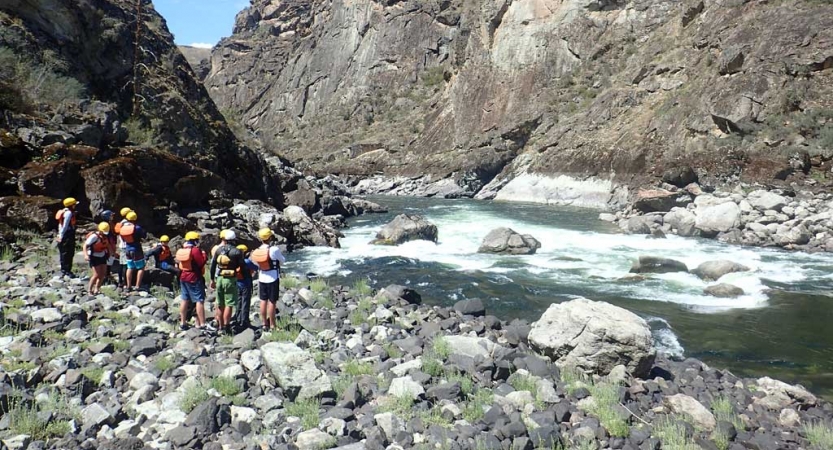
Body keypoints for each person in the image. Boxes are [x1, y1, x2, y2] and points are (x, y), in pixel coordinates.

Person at [209, 230, 245, 334]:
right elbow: (242, 266)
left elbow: (212, 266)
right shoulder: (237, 251)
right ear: (234, 240)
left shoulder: (219, 250)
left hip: (219, 278)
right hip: (230, 279)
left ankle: (220, 326)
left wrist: (212, 279)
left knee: (220, 303)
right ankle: (226, 326)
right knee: (229, 303)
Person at [251, 228, 286, 333]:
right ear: (270, 238)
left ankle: (264, 324)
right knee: (272, 302)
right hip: (273, 278)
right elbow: (282, 261)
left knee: (263, 301)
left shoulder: (257, 250)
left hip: (261, 278)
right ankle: (272, 325)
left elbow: (256, 264)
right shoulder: (274, 249)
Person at [176, 231, 208, 331]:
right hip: (194, 277)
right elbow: (201, 262)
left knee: (184, 299)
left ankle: (182, 322)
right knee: (199, 300)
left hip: (183, 276)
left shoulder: (182, 250)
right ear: (194, 240)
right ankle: (202, 324)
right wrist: (204, 255)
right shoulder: (195, 250)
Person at [120, 210, 147, 291]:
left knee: (130, 267)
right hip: (136, 249)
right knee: (141, 268)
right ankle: (137, 286)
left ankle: (128, 286)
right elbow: (144, 236)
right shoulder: (137, 227)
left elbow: (122, 238)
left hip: (127, 249)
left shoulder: (123, 228)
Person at [234, 244, 258, 331]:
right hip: (246, 284)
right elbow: (256, 268)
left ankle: (238, 319)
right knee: (245, 303)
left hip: (237, 284)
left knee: (239, 302)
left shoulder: (234, 262)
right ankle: (244, 321)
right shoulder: (247, 262)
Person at [84, 222, 111, 295]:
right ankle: (89, 290)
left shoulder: (105, 236)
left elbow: (107, 245)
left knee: (103, 274)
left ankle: (97, 288)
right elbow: (85, 245)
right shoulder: (94, 237)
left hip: (102, 255)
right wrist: (86, 255)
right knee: (96, 274)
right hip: (94, 256)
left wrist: (111, 253)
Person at [55, 197, 78, 277]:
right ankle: (66, 270)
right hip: (67, 235)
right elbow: (65, 225)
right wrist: (61, 235)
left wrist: (59, 234)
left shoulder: (64, 211)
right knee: (68, 252)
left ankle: (64, 269)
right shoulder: (69, 213)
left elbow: (60, 225)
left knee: (64, 253)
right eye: (74, 204)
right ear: (71, 205)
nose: (75, 206)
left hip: (64, 234)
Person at [100, 210, 122, 286]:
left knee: (110, 260)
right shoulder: (106, 226)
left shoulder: (109, 223)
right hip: (108, 246)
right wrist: (112, 250)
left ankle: (107, 275)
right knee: (108, 260)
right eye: (111, 215)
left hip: (111, 244)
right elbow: (108, 239)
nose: (112, 216)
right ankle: (105, 276)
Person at [114, 207, 132, 289]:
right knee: (126, 265)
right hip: (126, 246)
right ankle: (124, 282)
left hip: (121, 246)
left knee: (121, 264)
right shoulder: (128, 224)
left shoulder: (121, 223)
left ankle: (120, 281)